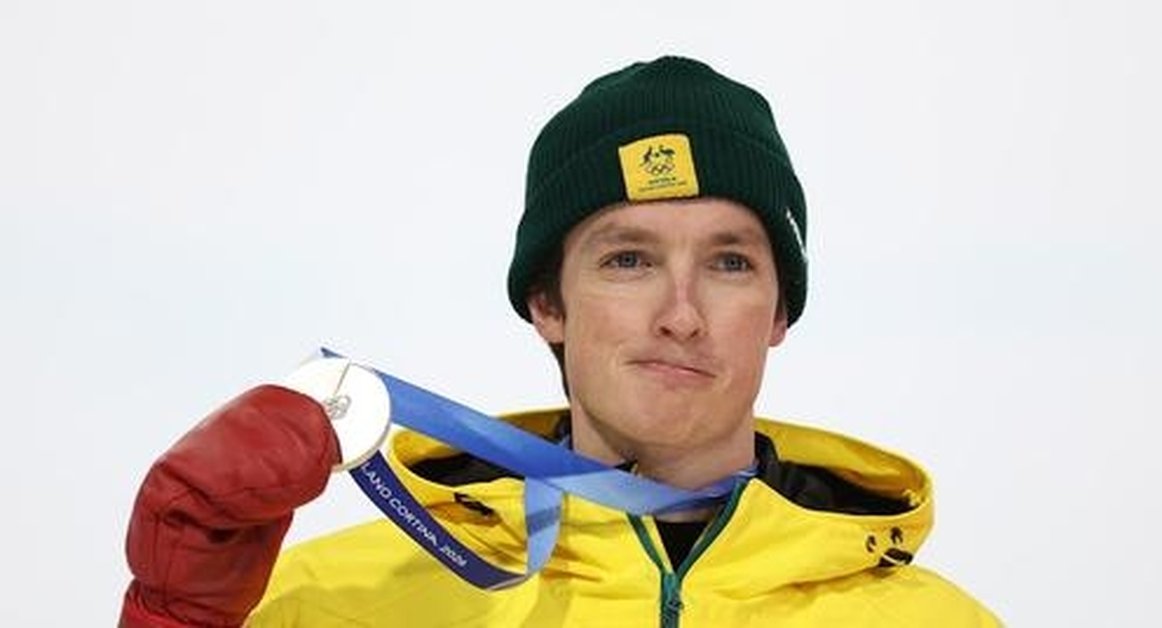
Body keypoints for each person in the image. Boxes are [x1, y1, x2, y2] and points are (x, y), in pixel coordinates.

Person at [120, 56, 1000, 627]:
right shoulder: (328, 606)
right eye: (629, 260)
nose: (682, 314)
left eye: (730, 263)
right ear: (548, 303)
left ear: (779, 311)